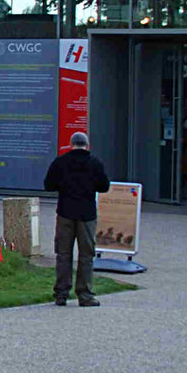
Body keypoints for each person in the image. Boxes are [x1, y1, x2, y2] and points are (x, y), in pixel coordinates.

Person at [42, 131, 112, 307]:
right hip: (87, 215)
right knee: (86, 255)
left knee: (63, 253)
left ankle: (61, 294)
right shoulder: (95, 163)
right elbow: (104, 186)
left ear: (71, 143)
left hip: (65, 212)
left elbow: (48, 185)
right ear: (87, 145)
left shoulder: (60, 162)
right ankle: (85, 295)